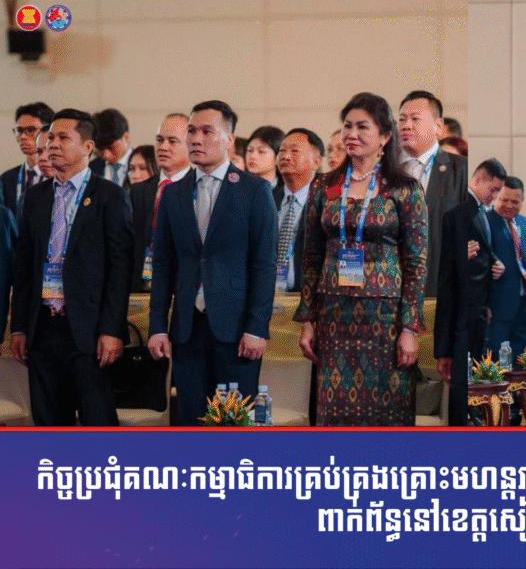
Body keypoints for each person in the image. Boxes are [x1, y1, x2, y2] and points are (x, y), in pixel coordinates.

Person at [295, 92, 427, 426]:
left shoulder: (404, 188)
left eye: (362, 127)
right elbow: (310, 257)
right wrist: (308, 319)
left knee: (386, 413)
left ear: (385, 136)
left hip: (385, 319)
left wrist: (409, 327)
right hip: (334, 317)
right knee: (335, 413)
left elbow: (416, 263)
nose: (351, 134)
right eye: (347, 126)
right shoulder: (323, 186)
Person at [147, 100, 278, 426]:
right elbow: (162, 265)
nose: (196, 139)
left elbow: (264, 265)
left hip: (236, 331)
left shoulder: (254, 190)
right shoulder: (173, 194)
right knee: (191, 421)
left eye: (207, 131)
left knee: (233, 423)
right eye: (192, 131)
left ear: (229, 139)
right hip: (187, 329)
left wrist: (257, 327)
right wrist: (157, 325)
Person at [10, 108, 133, 426]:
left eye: (63, 137)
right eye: (50, 137)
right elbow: (24, 268)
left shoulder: (109, 196)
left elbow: (120, 270)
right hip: (43, 328)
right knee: (49, 424)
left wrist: (111, 330)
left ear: (88, 147)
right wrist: (20, 327)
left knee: (97, 423)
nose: (52, 144)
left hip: (89, 331)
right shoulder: (35, 197)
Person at [434, 158, 507, 426]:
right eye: (494, 189)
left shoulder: (482, 213)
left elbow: (482, 253)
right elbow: (446, 278)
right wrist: (443, 347)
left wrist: (494, 264)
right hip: (461, 317)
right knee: (462, 390)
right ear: (478, 180)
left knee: (474, 385)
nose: (495, 196)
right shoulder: (458, 214)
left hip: (478, 312)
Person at [398, 90, 469, 298]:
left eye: (415, 119)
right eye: (401, 119)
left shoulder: (461, 169)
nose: (406, 125)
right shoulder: (385, 170)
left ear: (438, 126)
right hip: (392, 287)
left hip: (441, 286)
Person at [130, 113, 192, 292]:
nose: (163, 147)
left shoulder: (198, 188)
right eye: (159, 140)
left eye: (172, 141)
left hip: (183, 287)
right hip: (140, 285)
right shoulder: (139, 190)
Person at [486, 176, 526, 357]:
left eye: (515, 202)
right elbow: (475, 262)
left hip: (525, 304)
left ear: (523, 201)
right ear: (495, 197)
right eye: (504, 200)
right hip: (496, 307)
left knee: (524, 361)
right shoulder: (484, 222)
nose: (509, 205)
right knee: (497, 361)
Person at [274, 128, 323, 293]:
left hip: (311, 295)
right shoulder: (268, 199)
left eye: (294, 151)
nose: (286, 156)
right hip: (270, 295)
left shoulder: (326, 202)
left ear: (317, 161)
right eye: (282, 151)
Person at [2, 102, 53, 216]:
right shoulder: (6, 179)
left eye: (31, 130)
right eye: (19, 130)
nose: (23, 136)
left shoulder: (58, 176)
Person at [89, 108, 132, 188]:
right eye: (100, 149)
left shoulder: (148, 166)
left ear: (125, 137)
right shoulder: (90, 169)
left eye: (111, 148)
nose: (106, 155)